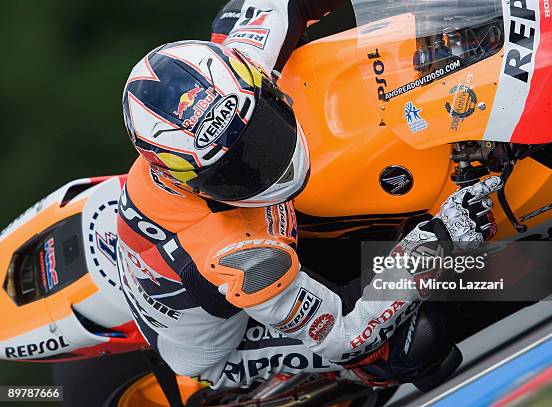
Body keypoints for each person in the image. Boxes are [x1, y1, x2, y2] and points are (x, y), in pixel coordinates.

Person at [118, 0, 502, 389]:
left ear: (255, 81)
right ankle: (542, 274)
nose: (265, 165)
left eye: (261, 130)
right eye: (233, 171)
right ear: (190, 181)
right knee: (409, 344)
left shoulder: (240, 68)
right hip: (221, 338)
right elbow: (344, 333)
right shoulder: (240, 259)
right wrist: (436, 244)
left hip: (249, 230)